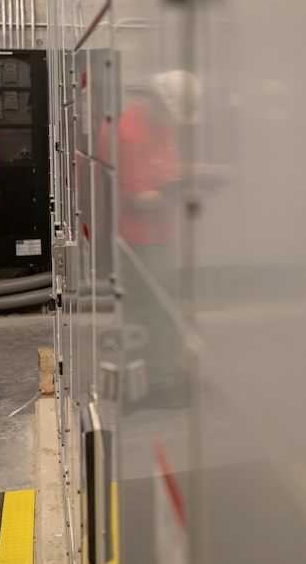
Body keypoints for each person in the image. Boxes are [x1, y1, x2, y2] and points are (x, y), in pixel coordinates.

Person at [97, 70, 203, 411]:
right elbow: (140, 195)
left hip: (161, 234)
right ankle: (152, 386)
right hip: (138, 238)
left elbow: (168, 167)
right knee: (145, 311)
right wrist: (188, 196)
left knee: (165, 308)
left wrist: (202, 172)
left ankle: (166, 374)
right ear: (159, 104)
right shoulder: (128, 130)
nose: (174, 124)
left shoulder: (160, 123)